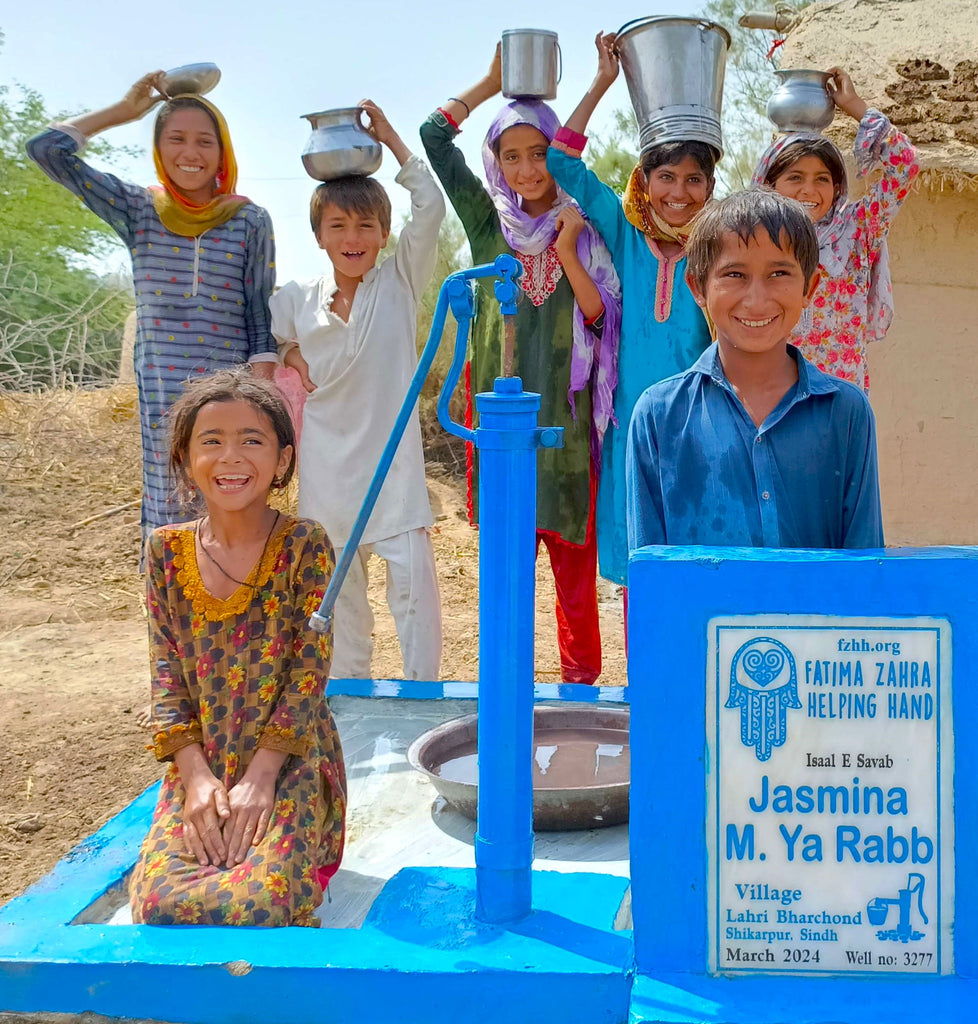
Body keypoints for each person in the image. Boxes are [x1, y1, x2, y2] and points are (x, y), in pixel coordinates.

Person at [420, 47, 621, 685]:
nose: (528, 168)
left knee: (574, 584)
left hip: (567, 433)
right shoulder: (488, 227)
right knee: (505, 583)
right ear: (496, 163)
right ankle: (505, 699)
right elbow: (433, 136)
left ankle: (578, 702)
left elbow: (599, 321)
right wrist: (487, 82)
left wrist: (565, 249)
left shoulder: (583, 226)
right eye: (512, 155)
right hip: (503, 438)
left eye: (540, 153)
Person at [128, 368, 346, 927]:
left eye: (252, 440)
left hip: (289, 756)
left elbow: (308, 674)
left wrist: (263, 776)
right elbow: (166, 676)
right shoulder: (165, 551)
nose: (231, 457)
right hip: (202, 762)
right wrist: (196, 779)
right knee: (159, 903)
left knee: (261, 901)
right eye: (212, 441)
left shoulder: (305, 544)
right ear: (184, 458)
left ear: (282, 460)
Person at [27, 73, 278, 547]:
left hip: (231, 395)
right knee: (171, 510)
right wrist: (125, 110)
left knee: (234, 500)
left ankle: (236, 613)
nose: (191, 153)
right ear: (159, 149)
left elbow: (259, 315)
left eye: (206, 141)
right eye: (176, 139)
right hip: (163, 394)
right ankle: (170, 611)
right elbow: (45, 150)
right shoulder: (139, 209)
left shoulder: (249, 219)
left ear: (223, 151)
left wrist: (261, 402)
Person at [271, 101, 443, 681]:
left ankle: (425, 712)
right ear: (319, 235)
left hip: (394, 473)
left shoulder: (399, 280)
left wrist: (391, 139)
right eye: (338, 226)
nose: (353, 237)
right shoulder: (295, 297)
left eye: (366, 225)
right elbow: (262, 350)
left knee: (415, 604)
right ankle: (351, 718)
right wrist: (288, 352)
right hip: (328, 477)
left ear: (384, 233)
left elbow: (431, 206)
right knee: (340, 611)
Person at [627, 189, 883, 554]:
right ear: (698, 287)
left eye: (779, 273)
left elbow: (865, 563)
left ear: (809, 287)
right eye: (734, 274)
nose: (757, 299)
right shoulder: (659, 415)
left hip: (818, 614)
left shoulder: (845, 412)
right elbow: (650, 574)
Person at [547, 32, 715, 589]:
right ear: (644, 180)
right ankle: (644, 677)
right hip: (631, 427)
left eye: (694, 179)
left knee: (697, 562)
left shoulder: (721, 242)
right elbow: (561, 161)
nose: (679, 192)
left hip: (701, 428)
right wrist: (601, 82)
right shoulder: (623, 230)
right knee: (637, 569)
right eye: (666, 176)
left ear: (711, 185)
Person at [752, 68, 919, 392]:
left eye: (822, 179)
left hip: (839, 397)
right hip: (772, 396)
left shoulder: (857, 231)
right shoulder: (755, 238)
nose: (808, 191)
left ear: (837, 185)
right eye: (795, 178)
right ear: (769, 184)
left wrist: (854, 105)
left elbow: (905, 165)